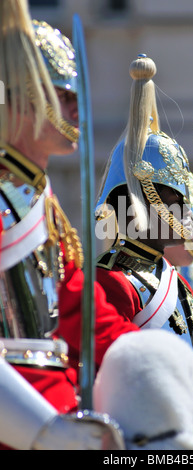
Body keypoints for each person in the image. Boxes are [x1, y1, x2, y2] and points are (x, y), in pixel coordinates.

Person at [58, 53, 193, 377]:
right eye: (173, 198)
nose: (183, 211)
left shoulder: (178, 283)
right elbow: (123, 369)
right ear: (143, 198)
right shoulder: (112, 279)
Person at [0, 0, 123, 450]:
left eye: (75, 96)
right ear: (18, 96)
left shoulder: (41, 203)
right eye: (62, 94)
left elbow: (93, 324)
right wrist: (42, 431)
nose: (74, 108)